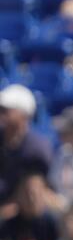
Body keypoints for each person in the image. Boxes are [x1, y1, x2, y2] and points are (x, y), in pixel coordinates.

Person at [0, 85, 52, 218]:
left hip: (21, 214)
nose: (2, 114)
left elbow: (35, 190)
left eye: (6, 110)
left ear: (24, 115)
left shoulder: (36, 148)